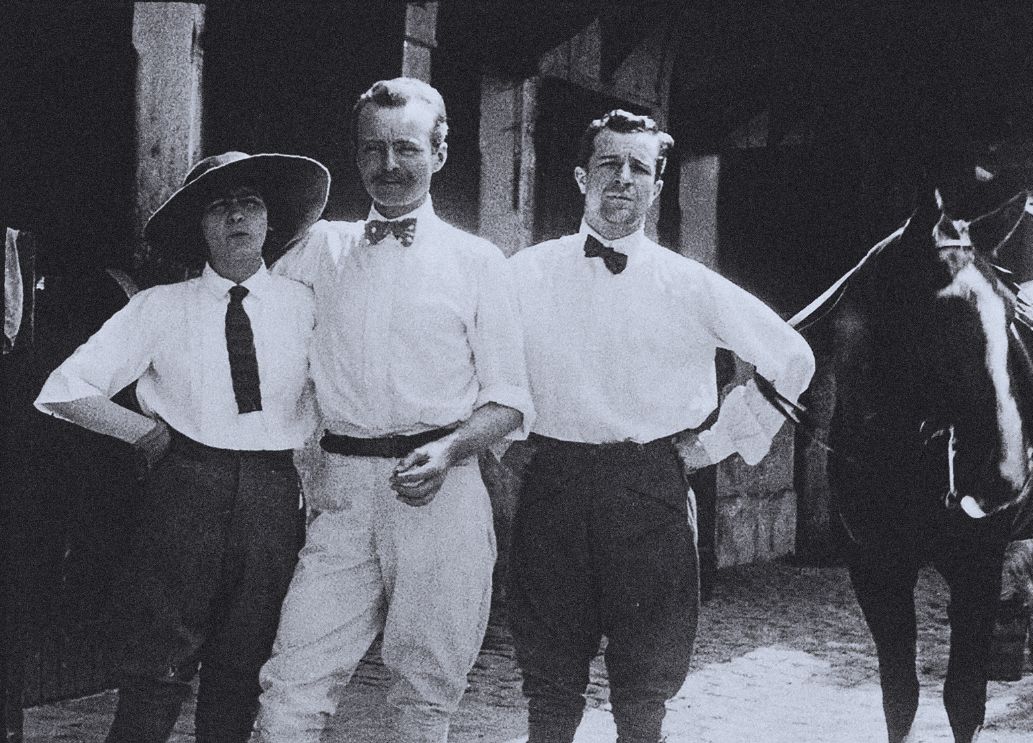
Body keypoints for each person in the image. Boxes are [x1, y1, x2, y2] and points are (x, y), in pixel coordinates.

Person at [507, 110, 816, 743]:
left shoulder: (691, 285)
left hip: (650, 487)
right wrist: (507, 441)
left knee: (645, 687)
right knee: (550, 683)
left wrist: (719, 442)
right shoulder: (522, 274)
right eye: (608, 164)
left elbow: (793, 358)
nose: (622, 178)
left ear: (656, 186)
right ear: (579, 176)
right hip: (553, 485)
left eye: (638, 168)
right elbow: (479, 360)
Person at [254, 77, 533, 743]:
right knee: (292, 684)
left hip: (442, 489)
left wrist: (449, 450)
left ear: (439, 152)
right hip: (341, 494)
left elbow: (510, 399)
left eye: (406, 148)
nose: (388, 165)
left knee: (424, 696)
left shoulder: (477, 262)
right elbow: (257, 328)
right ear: (355, 156)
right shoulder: (319, 249)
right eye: (372, 149)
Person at [33, 151, 330, 743]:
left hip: (272, 497)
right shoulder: (159, 307)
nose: (236, 217)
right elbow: (63, 388)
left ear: (271, 220)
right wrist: (143, 433)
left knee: (242, 667)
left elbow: (336, 399)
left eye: (250, 203)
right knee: (156, 668)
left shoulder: (308, 308)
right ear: (200, 225)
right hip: (185, 490)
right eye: (218, 206)